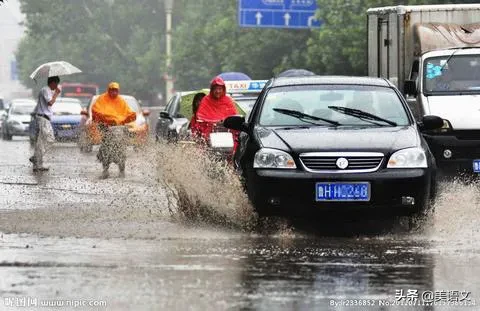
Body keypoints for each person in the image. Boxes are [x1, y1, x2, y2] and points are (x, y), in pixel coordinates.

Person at [90, 82, 136, 178]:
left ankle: (122, 170)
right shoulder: (102, 99)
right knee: (106, 148)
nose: (114, 93)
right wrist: (105, 119)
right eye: (112, 90)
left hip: (119, 129)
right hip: (106, 128)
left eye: (116, 91)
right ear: (109, 90)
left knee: (121, 149)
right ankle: (105, 170)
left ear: (118, 91)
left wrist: (127, 118)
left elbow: (128, 113)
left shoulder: (121, 101)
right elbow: (96, 110)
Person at [29, 76, 61, 172]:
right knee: (50, 139)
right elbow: (50, 103)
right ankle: (36, 157)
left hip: (43, 118)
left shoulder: (46, 90)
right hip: (43, 119)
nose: (56, 86)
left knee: (41, 142)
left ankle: (38, 165)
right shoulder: (45, 90)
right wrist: (56, 94)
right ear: (53, 82)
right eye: (56, 84)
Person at [191, 77, 238, 141]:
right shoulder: (206, 100)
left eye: (220, 89)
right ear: (212, 89)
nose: (217, 91)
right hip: (208, 133)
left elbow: (233, 117)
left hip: (227, 133)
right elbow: (201, 116)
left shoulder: (228, 101)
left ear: (223, 89)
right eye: (215, 89)